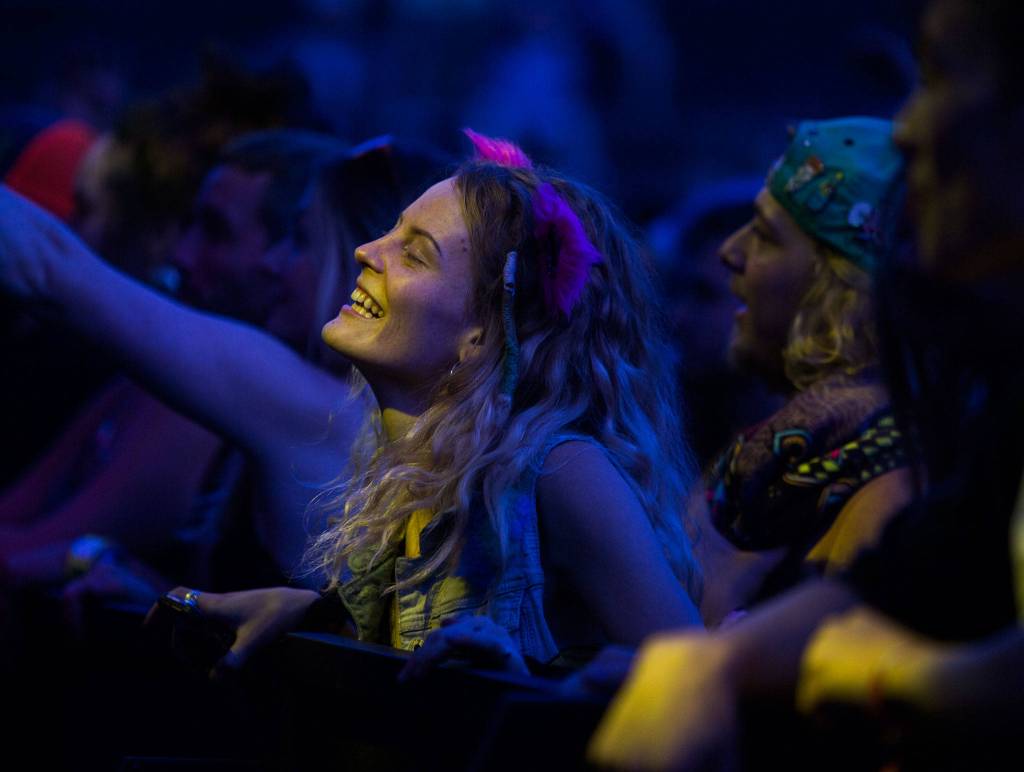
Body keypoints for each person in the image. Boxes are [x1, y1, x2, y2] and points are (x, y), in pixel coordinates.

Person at [589, 1, 1024, 768]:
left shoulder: (884, 473)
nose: (910, 128)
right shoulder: (801, 459)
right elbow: (904, 585)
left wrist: (900, 678)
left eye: (939, 78)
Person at [137, 129, 703, 676]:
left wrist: (515, 682)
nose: (366, 251)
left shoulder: (559, 468)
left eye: (415, 254)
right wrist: (311, 615)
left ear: (481, 332)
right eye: (390, 233)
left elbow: (688, 680)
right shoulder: (417, 478)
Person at [0, 129, 347, 590]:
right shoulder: (179, 386)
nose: (273, 264)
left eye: (301, 241)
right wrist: (156, 598)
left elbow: (56, 270)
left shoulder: (293, 402)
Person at [693, 116, 911, 626]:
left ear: (841, 288)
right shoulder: (778, 467)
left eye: (766, 235)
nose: (731, 251)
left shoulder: (886, 490)